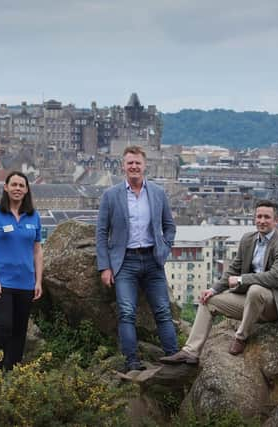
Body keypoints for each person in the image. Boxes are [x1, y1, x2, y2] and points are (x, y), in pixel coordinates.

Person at [161, 200, 278, 364]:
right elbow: (234, 268)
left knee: (256, 290)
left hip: (275, 304)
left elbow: (275, 277)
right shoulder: (248, 239)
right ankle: (191, 352)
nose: (262, 221)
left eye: (267, 217)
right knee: (208, 301)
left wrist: (242, 279)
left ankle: (241, 337)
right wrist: (213, 290)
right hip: (251, 301)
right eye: (259, 216)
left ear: (276, 221)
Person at [96, 145, 178, 372]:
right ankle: (131, 361)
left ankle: (174, 356)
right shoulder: (111, 195)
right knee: (126, 312)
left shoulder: (158, 193)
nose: (134, 166)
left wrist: (165, 248)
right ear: (123, 166)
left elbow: (169, 226)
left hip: (153, 259)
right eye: (130, 163)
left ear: (144, 166)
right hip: (125, 261)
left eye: (137, 163)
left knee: (162, 310)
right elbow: (102, 232)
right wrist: (105, 267)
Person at [0, 171, 43, 370]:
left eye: (21, 186)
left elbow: (37, 251)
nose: (17, 188)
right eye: (13, 185)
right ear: (6, 187)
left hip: (26, 284)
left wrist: (38, 281)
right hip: (1, 283)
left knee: (19, 332)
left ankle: (12, 374)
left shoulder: (34, 217)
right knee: (4, 327)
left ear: (26, 190)